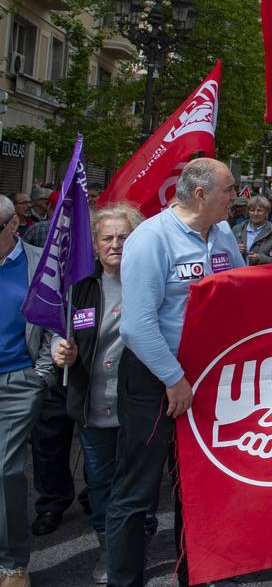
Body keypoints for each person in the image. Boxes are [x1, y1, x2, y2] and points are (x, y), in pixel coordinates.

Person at [106, 158, 244, 587]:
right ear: (201, 194)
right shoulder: (151, 239)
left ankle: (197, 571)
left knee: (198, 484)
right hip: (156, 378)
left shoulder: (221, 233)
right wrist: (172, 378)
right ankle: (124, 580)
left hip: (205, 378)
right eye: (229, 189)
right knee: (137, 488)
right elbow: (137, 325)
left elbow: (240, 287)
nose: (235, 198)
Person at [49, 204, 155, 583]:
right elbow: (59, 332)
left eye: (124, 237)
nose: (116, 245)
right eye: (107, 238)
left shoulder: (149, 279)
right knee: (101, 485)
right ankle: (110, 550)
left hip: (140, 407)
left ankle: (136, 546)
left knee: (139, 486)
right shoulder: (79, 286)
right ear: (94, 245)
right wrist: (61, 350)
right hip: (93, 406)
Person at [0, 196, 55, 587]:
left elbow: (56, 317)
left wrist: (41, 374)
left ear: (13, 225)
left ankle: (12, 563)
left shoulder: (39, 262)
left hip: (18, 379)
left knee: (5, 470)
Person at [231, 196, 272, 265]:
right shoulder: (237, 229)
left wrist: (261, 259)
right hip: (238, 274)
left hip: (260, 275)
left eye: (259, 210)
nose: (255, 214)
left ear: (266, 213)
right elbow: (224, 254)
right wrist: (234, 250)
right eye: (252, 210)